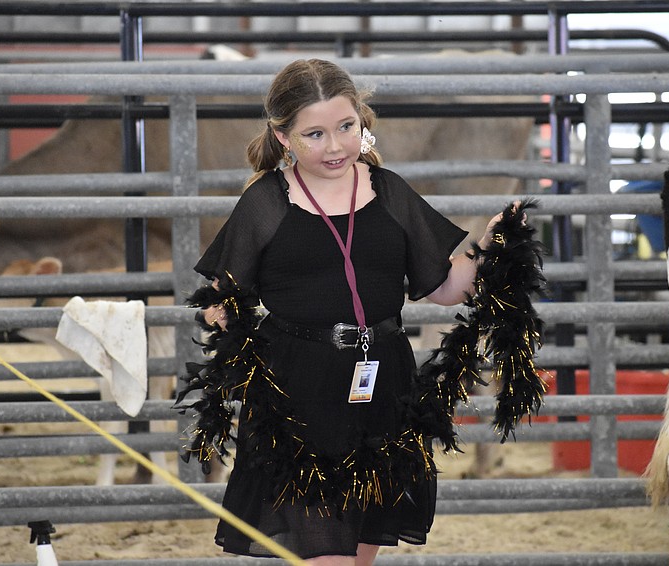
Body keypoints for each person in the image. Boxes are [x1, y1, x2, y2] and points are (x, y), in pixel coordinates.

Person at [182, 58, 512, 565]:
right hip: (297, 394)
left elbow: (444, 286)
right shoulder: (265, 203)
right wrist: (223, 315)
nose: (335, 146)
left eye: (345, 127)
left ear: (362, 121)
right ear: (283, 136)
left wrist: (489, 248)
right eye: (314, 133)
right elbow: (223, 296)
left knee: (359, 556)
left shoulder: (391, 193)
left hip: (382, 388)